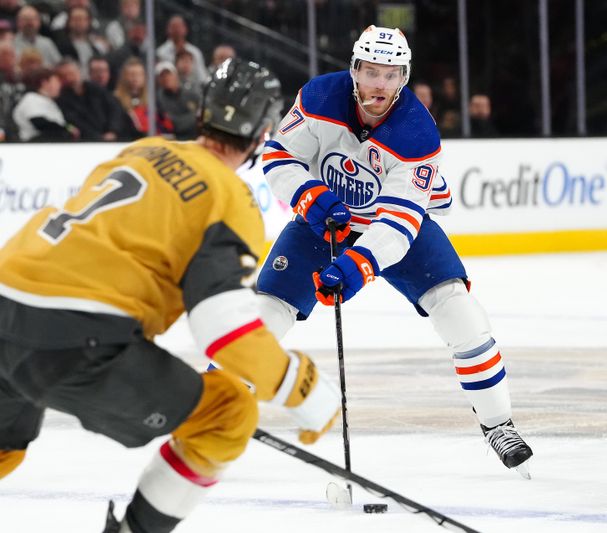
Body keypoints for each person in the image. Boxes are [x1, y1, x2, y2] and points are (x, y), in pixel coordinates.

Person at [0, 58, 340, 533]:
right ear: (262, 134)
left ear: (203, 111)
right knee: (227, 413)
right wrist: (297, 384)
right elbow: (224, 327)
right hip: (76, 335)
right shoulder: (228, 196)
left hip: (6, 300)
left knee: (4, 444)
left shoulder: (143, 150)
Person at [257, 25, 533, 477]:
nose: (378, 85)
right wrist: (307, 193)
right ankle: (209, 405)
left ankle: (498, 423)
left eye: (389, 74)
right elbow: (278, 156)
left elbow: (400, 223)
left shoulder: (417, 131)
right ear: (354, 71)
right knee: (267, 310)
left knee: (460, 312)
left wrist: (358, 265)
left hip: (392, 227)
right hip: (321, 223)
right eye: (370, 72)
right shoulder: (319, 97)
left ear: (403, 77)